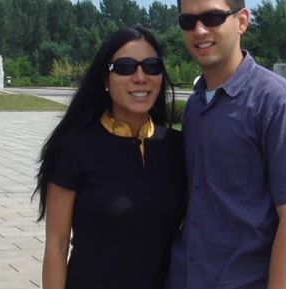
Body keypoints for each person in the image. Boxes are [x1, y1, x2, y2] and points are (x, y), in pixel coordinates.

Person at [169, 0, 286, 289]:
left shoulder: (279, 102)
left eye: (213, 17)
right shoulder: (197, 104)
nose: (199, 30)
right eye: (188, 21)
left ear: (242, 20)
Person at [35, 26, 185, 289]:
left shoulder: (177, 149)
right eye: (125, 67)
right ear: (105, 80)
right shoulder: (74, 148)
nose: (140, 77)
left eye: (151, 66)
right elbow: (57, 245)